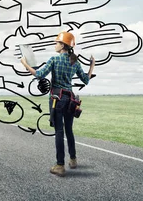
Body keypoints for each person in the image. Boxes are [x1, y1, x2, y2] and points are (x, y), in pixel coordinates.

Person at [20, 31, 95, 177]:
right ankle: (73, 160)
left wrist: (24, 64)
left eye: (56, 42)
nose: (55, 45)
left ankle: (60, 165)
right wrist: (92, 65)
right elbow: (86, 80)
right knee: (69, 130)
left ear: (63, 45)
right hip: (71, 100)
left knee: (59, 131)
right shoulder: (75, 62)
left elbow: (39, 74)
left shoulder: (54, 59)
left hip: (57, 99)